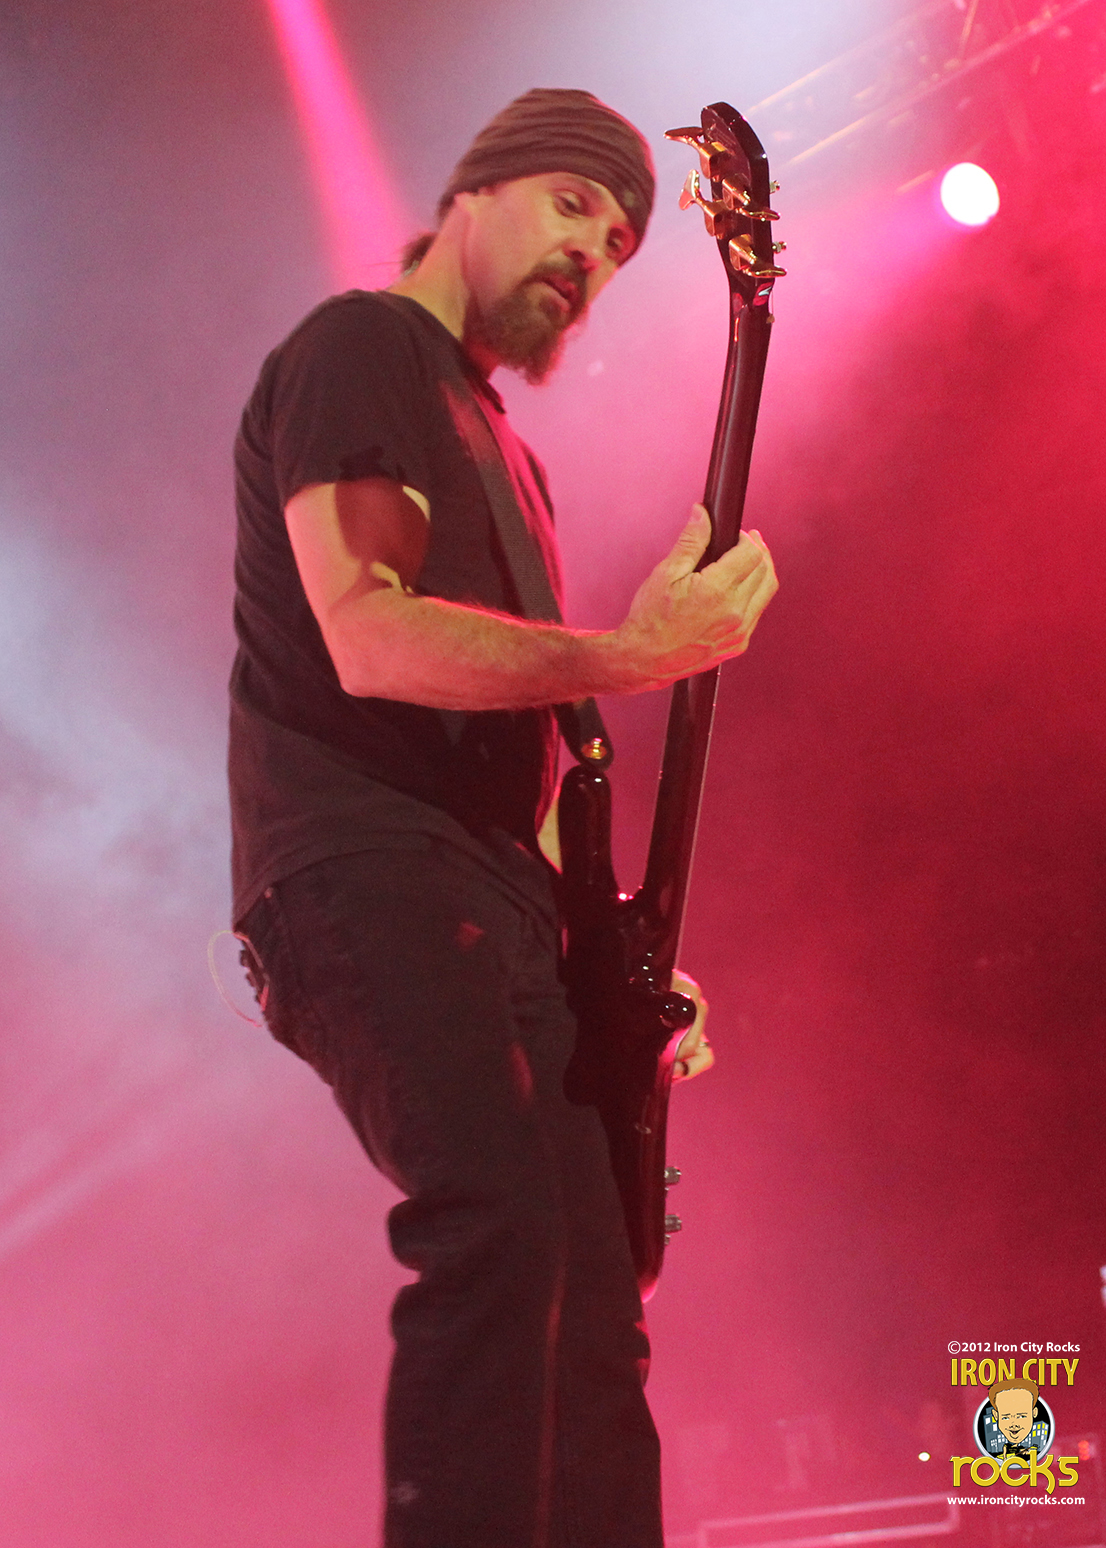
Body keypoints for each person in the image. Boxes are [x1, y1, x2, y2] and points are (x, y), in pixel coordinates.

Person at [229, 88, 777, 1548]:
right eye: (568, 204)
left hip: (494, 896)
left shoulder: (509, 455)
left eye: (618, 242)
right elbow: (368, 633)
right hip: (368, 863)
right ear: (472, 194)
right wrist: (632, 654)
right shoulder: (360, 348)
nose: (590, 252)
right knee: (501, 1226)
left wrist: (614, 955)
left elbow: (524, 762)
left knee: (594, 1302)